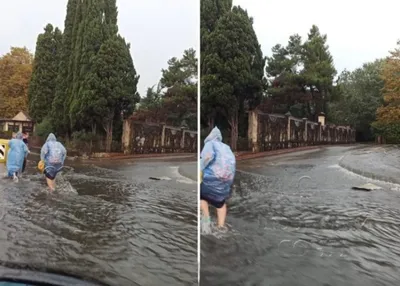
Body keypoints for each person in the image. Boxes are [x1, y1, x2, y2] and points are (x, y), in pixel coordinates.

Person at [200, 127, 236, 228]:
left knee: (202, 196)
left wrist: (200, 167)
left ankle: (206, 219)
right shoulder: (227, 147)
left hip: (212, 178)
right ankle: (221, 226)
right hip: (226, 180)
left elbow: (207, 157)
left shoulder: (210, 144)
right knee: (220, 203)